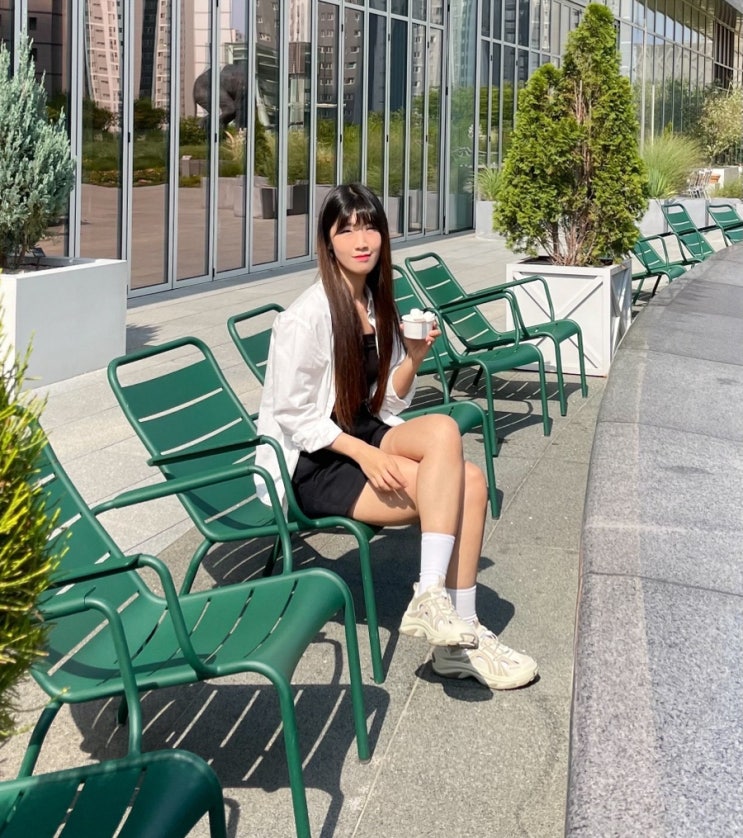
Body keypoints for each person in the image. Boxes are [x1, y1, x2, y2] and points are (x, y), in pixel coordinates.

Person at [256, 183, 537, 690]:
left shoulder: (373, 302)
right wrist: (363, 455)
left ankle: (441, 609)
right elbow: (293, 415)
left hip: (363, 432)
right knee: (469, 485)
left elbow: (385, 403)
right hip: (317, 463)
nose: (361, 240)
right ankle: (453, 636)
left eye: (370, 228)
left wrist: (415, 358)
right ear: (327, 241)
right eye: (347, 230)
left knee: (448, 435)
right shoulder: (306, 317)